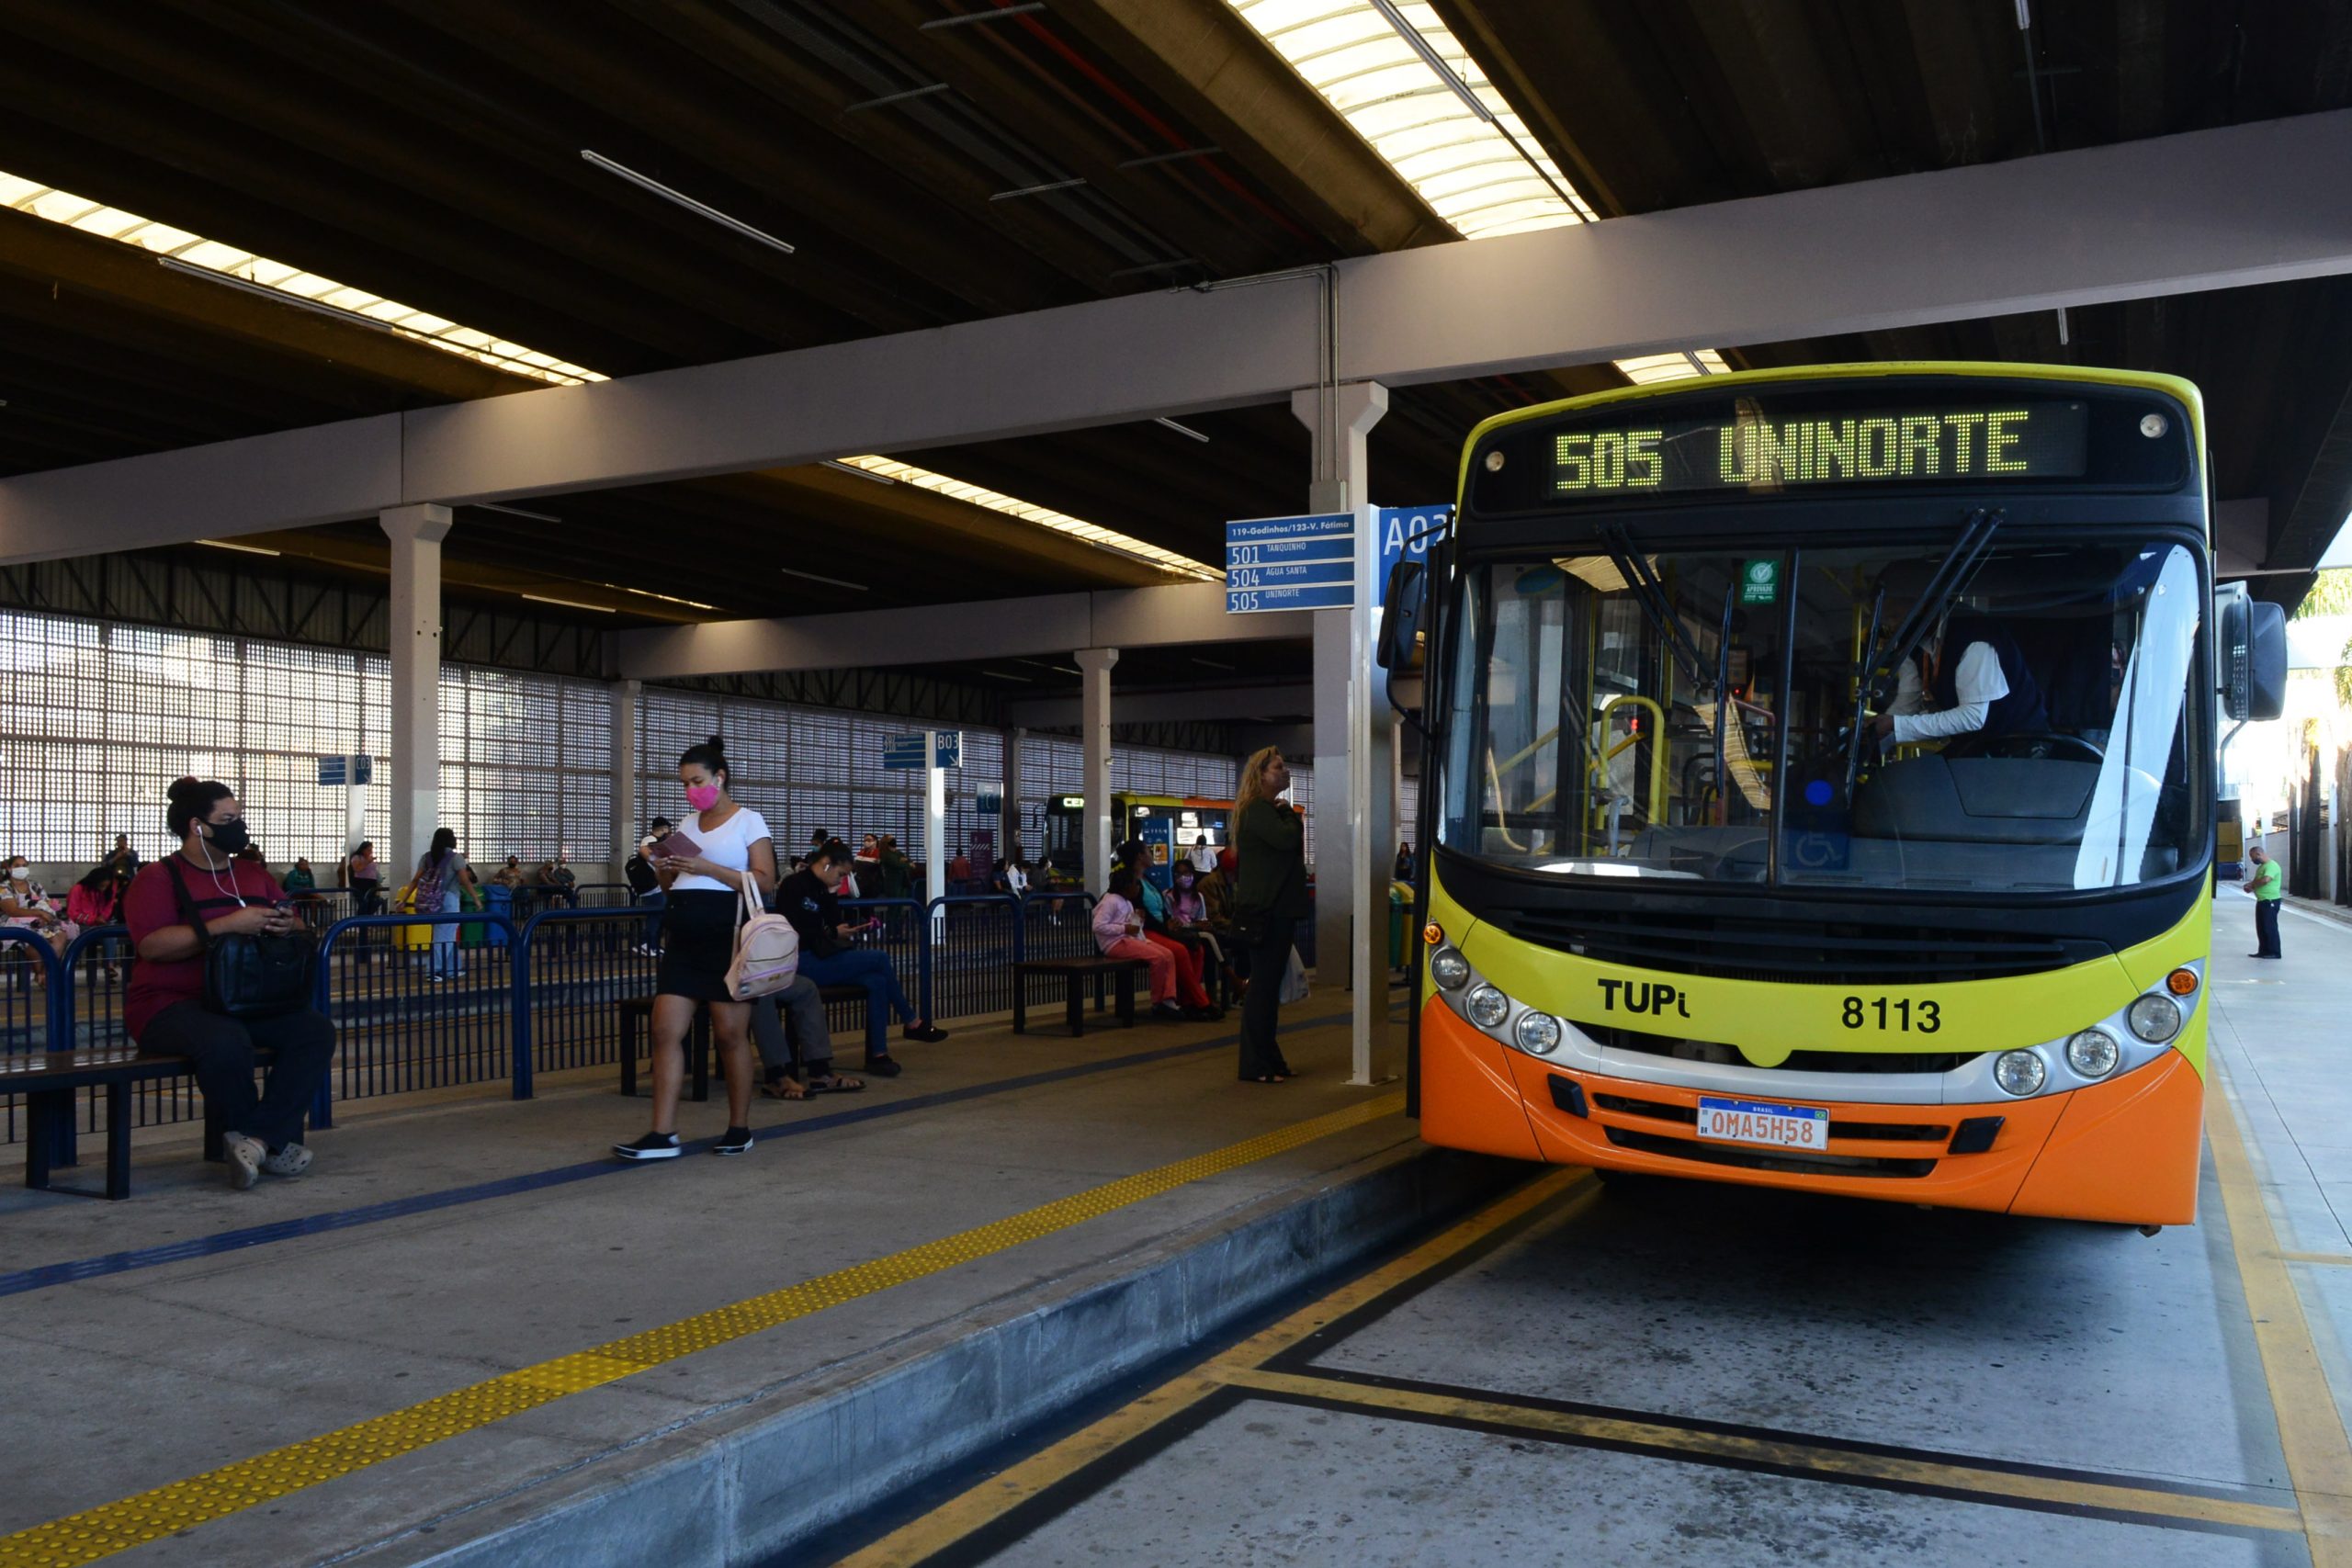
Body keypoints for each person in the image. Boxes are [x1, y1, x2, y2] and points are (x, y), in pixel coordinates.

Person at [124, 778, 335, 1190]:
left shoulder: (252, 874)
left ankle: (256, 1142)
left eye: (239, 817)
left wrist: (284, 924)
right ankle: (271, 1142)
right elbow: (152, 946)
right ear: (198, 826)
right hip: (169, 1004)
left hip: (243, 1000)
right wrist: (226, 925)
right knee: (224, 1040)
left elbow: (295, 920)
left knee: (313, 1031)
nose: (238, 826)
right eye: (228, 819)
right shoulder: (159, 878)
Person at [616, 736, 775, 1160]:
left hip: (726, 935)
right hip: (683, 936)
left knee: (729, 1034)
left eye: (697, 780)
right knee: (665, 1030)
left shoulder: (748, 821)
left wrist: (707, 867)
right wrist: (666, 868)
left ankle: (739, 1127)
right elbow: (673, 884)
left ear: (719, 779)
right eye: (685, 783)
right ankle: (662, 1133)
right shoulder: (686, 826)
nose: (690, 790)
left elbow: (764, 880)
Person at [776, 840, 946, 1077]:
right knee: (879, 958)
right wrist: (833, 933)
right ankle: (911, 1021)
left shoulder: (824, 888)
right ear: (826, 864)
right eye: (841, 874)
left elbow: (834, 921)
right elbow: (794, 930)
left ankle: (878, 1055)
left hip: (823, 956)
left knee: (876, 981)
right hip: (801, 960)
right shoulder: (793, 886)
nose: (841, 880)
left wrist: (833, 901)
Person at [1232, 747, 1306, 1083]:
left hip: (1274, 911)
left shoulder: (1265, 810)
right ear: (1261, 774)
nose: (1285, 771)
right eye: (1279, 767)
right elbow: (1286, 840)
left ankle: (1269, 1059)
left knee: (1267, 989)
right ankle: (1255, 1064)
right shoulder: (1260, 811)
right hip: (1267, 912)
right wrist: (1292, 815)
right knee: (1262, 990)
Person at [1870, 610, 2050, 747]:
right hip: (1975, 747)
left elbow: (1972, 717)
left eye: (1893, 616)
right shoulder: (1912, 640)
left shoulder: (1974, 638)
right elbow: (1908, 701)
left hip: (2019, 744)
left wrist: (1896, 725)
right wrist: (1878, 731)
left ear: (1922, 604)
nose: (1890, 625)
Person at [1125, 842, 1217, 1015]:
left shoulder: (1147, 879)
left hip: (1161, 928)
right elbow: (1140, 912)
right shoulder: (1129, 881)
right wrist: (1165, 926)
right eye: (1147, 851)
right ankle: (1201, 1001)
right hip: (1146, 931)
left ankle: (1188, 1000)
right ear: (1139, 856)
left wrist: (1169, 921)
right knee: (1180, 950)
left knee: (1198, 949)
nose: (1151, 854)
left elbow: (1160, 909)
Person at [1094, 869, 1197, 1021]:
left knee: (1167, 954)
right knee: (1157, 957)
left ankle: (1168, 998)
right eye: (1136, 885)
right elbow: (1098, 926)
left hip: (1130, 939)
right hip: (1115, 943)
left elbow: (1132, 928)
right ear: (1126, 886)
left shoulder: (1127, 902)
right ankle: (1158, 1000)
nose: (1138, 888)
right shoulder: (1110, 901)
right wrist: (1124, 928)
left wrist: (1139, 925)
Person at [750, 973, 865, 1100]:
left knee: (806, 988)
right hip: (739, 979)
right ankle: (776, 1077)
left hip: (764, 972)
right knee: (760, 993)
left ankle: (819, 1071)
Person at [1169, 857, 1241, 999]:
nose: (1184, 877)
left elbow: (1203, 918)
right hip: (1183, 933)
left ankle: (1210, 995)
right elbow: (1173, 922)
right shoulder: (1170, 897)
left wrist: (1203, 924)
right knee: (1210, 937)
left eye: (1187, 873)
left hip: (1199, 932)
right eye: (1179, 874)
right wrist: (1195, 925)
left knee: (1209, 946)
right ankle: (1232, 977)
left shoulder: (1198, 897)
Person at [412, 828, 475, 982]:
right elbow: (465, 880)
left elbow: (415, 880)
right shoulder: (456, 858)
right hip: (449, 899)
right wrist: (476, 899)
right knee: (444, 936)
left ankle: (452, 969)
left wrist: (403, 900)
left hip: (431, 900)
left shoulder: (426, 857)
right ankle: (434, 970)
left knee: (447, 934)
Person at [2, 854, 77, 972]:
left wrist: (49, 910)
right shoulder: (4, 888)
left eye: (24, 865)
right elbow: (12, 911)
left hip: (40, 922)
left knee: (60, 936)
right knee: (34, 942)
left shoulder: (35, 885)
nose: (21, 868)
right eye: (17, 866)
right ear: (9, 868)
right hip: (14, 923)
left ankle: (47, 973)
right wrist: (39, 913)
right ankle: (41, 974)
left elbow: (46, 905)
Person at [625, 821, 671, 955]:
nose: (668, 832)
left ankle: (653, 944)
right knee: (656, 916)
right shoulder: (650, 840)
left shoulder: (654, 841)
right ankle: (646, 943)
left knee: (657, 916)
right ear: (662, 828)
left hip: (651, 887)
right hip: (652, 888)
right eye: (667, 828)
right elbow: (645, 851)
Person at [2246, 844, 2283, 960]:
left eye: (2253, 857)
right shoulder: (2262, 867)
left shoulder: (2272, 866)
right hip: (2262, 900)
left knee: (2269, 927)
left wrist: (2252, 885)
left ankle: (2274, 952)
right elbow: (2258, 881)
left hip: (2270, 900)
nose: (2252, 860)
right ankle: (2263, 951)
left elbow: (2266, 880)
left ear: (2259, 854)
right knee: (2261, 927)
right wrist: (2251, 886)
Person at [345, 840, 381, 916]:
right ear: (363, 850)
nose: (370, 852)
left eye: (371, 850)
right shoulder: (357, 858)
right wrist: (367, 862)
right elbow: (357, 869)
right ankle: (361, 920)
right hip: (361, 883)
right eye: (368, 850)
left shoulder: (370, 858)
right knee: (364, 903)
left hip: (371, 883)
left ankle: (367, 918)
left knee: (375, 901)